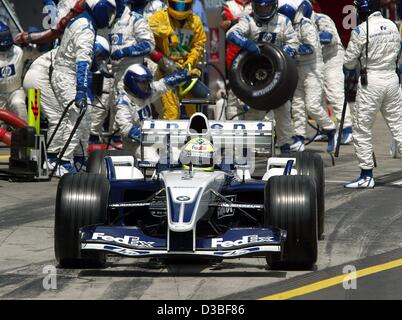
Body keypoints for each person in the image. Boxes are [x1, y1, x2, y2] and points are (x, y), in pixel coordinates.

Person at [23, 36, 111, 174]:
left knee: (81, 115)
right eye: (100, 57)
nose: (100, 61)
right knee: (60, 117)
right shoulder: (79, 54)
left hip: (41, 77)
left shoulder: (77, 51)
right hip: (39, 77)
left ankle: (77, 159)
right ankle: (54, 159)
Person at [50, 0, 117, 175]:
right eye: (108, 12)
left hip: (66, 74)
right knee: (77, 116)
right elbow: (82, 61)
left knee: (85, 118)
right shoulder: (86, 28)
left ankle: (79, 159)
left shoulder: (82, 20)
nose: (109, 17)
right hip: (67, 76)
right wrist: (81, 89)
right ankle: (62, 162)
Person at [226, 0, 299, 153]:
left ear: (274, 6)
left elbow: (293, 43)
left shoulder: (283, 21)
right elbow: (231, 33)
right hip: (250, 70)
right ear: (254, 6)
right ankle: (242, 151)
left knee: (283, 109)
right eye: (260, 7)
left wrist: (282, 57)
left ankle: (285, 147)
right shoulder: (248, 20)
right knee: (250, 111)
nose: (264, 10)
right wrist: (246, 44)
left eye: (267, 7)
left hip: (276, 71)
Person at [344, 0, 402, 189]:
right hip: (392, 79)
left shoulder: (361, 30)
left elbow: (349, 62)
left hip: (371, 81)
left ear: (362, 10)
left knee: (361, 129)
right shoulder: (393, 25)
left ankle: (366, 175)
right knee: (399, 125)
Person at [279, 0, 337, 153]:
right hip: (297, 67)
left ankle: (331, 130)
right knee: (297, 105)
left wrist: (291, 50)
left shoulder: (306, 25)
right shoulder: (285, 25)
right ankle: (299, 138)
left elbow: (310, 48)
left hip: (313, 68)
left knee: (312, 105)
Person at [115, 63, 193, 157]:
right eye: (143, 83)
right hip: (135, 145)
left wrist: (184, 75)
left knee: (176, 153)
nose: (147, 86)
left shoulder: (145, 93)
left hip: (152, 138)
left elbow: (163, 84)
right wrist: (151, 137)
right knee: (153, 158)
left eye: (148, 83)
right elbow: (126, 129)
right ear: (133, 83)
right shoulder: (123, 103)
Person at [148, 0, 207, 120]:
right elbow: (147, 26)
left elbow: (199, 44)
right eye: (177, 5)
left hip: (186, 70)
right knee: (172, 112)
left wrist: (191, 61)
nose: (180, 9)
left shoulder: (195, 21)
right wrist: (168, 32)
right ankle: (169, 138)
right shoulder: (160, 16)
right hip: (166, 69)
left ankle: (196, 136)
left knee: (194, 112)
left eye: (183, 6)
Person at [311, 5, 353, 144]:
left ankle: (347, 128)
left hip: (332, 56)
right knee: (316, 95)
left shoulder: (322, 19)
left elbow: (331, 39)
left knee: (334, 92)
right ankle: (326, 128)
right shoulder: (293, 23)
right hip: (314, 59)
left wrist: (322, 37)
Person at [109, 1, 156, 89]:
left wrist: (126, 51)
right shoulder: (108, 22)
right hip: (113, 77)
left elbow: (149, 44)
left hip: (133, 77)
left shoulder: (136, 19)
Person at [0, 21, 26, 121]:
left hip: (15, 91)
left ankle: (27, 134)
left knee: (18, 104)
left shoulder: (18, 51)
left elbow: (35, 54)